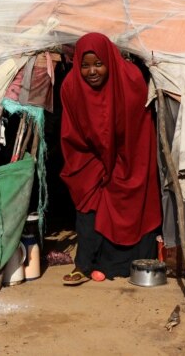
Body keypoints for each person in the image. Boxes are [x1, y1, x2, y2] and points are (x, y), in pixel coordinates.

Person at [59, 32, 162, 285]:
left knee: (131, 202)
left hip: (128, 156)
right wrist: (98, 158)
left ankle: (131, 266)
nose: (92, 71)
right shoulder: (71, 87)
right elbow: (71, 130)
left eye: (98, 64)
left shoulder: (130, 80)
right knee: (88, 201)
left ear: (109, 61)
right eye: (85, 65)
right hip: (89, 155)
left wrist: (115, 159)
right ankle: (83, 266)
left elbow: (138, 129)